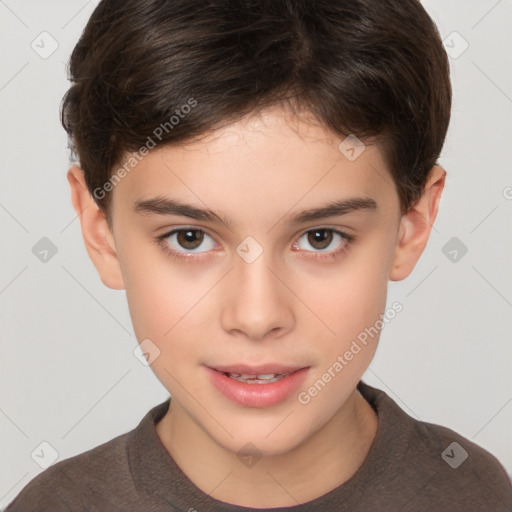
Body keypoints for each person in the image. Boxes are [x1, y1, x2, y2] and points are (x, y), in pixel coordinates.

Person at [5, 0, 512, 510]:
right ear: (102, 233)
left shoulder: (477, 494)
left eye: (321, 238)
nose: (256, 316)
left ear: (412, 225)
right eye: (188, 238)